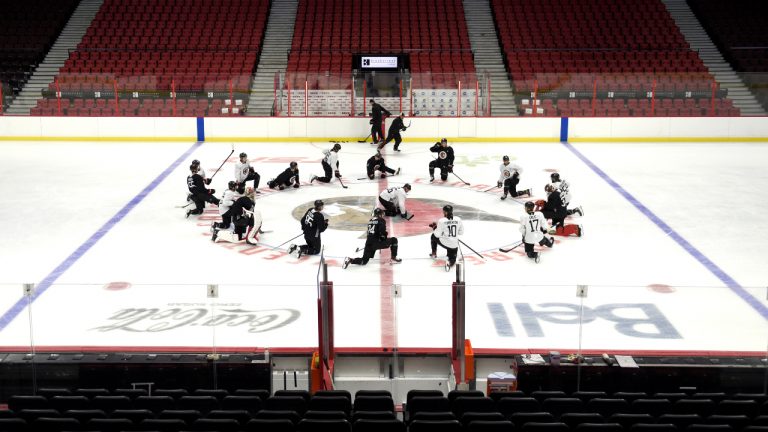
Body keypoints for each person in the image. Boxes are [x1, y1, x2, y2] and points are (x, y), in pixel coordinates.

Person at [429, 205, 465, 272]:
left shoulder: (442, 221)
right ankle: (450, 262)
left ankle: (434, 253)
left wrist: (434, 227)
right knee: (452, 258)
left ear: (445, 212)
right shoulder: (458, 219)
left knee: (433, 236)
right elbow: (461, 232)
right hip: (454, 244)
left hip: (445, 242)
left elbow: (437, 235)